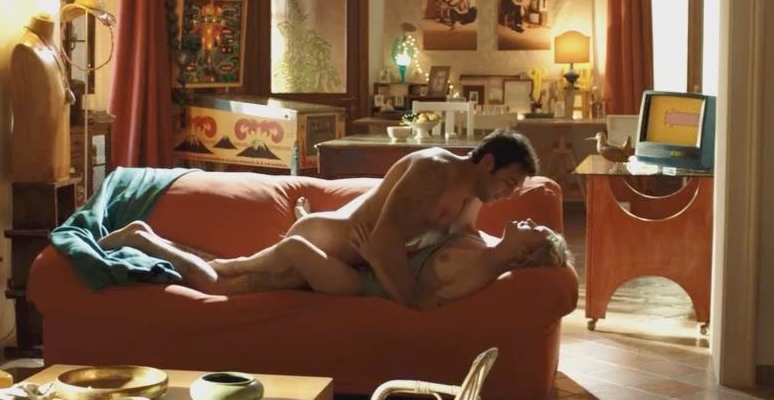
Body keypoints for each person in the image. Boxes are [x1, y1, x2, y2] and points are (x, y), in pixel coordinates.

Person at [181, 130, 538, 309]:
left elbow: (467, 236)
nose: (508, 194)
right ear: (488, 162)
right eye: (509, 183)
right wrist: (414, 301)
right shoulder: (432, 170)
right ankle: (174, 258)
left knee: (239, 280)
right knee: (231, 283)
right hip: (324, 242)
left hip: (350, 255)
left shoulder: (473, 195)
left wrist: (515, 252)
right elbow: (383, 242)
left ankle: (193, 261)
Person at [100, 217, 570, 309]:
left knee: (234, 276)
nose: (528, 220)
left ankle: (145, 239)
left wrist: (375, 257)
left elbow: (419, 301)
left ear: (526, 253)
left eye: (535, 229)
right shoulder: (480, 239)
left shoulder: (482, 271)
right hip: (357, 268)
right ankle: (148, 239)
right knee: (232, 279)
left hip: (360, 285)